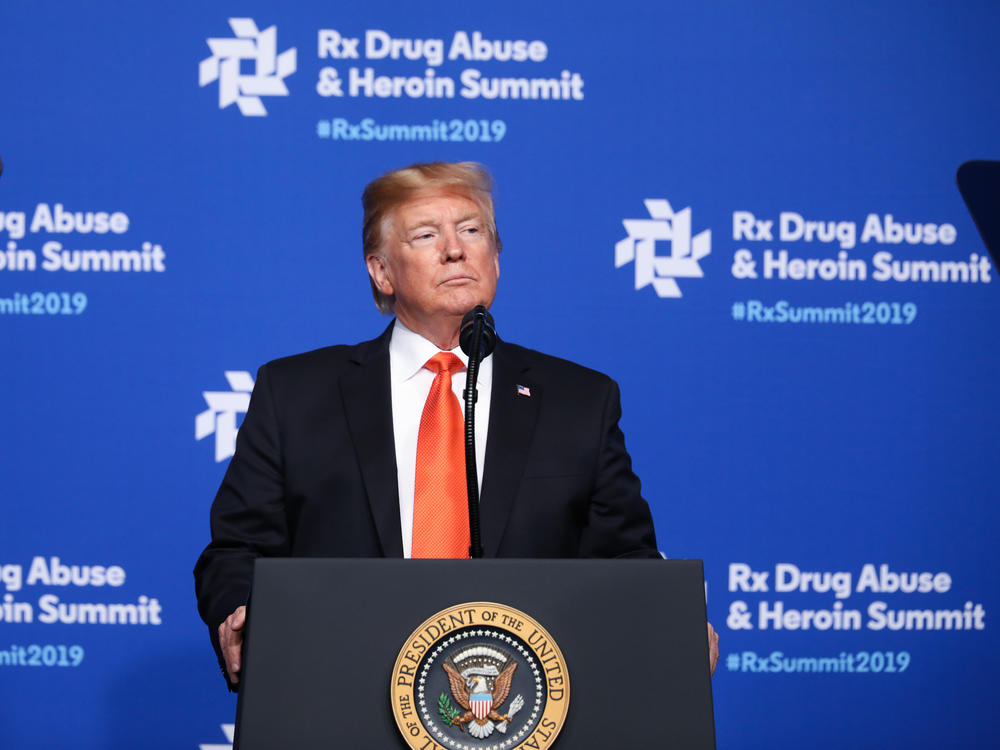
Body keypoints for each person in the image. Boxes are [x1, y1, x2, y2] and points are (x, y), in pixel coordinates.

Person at [194, 161, 719, 688]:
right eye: (426, 235)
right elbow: (237, 550)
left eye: (472, 230)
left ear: (495, 256)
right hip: (340, 690)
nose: (455, 249)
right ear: (381, 272)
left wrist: (666, 618)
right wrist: (241, 609)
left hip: (523, 706)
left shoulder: (579, 400)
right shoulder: (296, 393)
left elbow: (625, 557)